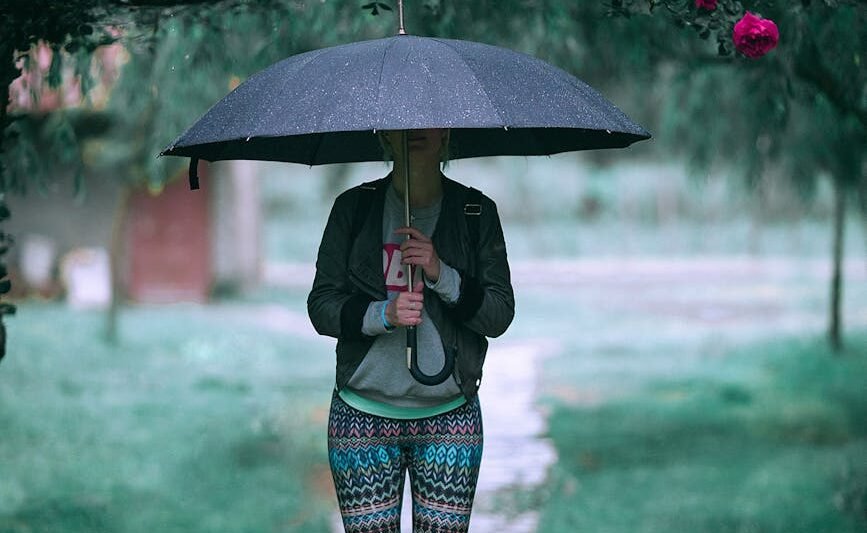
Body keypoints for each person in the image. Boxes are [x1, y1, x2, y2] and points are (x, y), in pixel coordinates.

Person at [308, 128, 514, 533]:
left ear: (447, 132)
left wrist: (442, 274)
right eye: (400, 121)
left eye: (427, 118)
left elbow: (499, 315)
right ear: (383, 134)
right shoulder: (354, 209)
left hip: (450, 418)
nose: (413, 128)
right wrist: (382, 314)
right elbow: (321, 307)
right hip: (361, 417)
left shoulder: (475, 212)